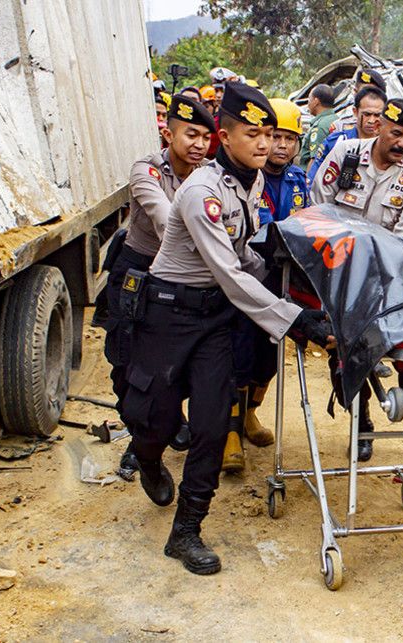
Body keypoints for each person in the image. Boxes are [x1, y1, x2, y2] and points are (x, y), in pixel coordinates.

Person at [121, 82, 333, 575]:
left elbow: (245, 259)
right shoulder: (201, 192)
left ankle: (186, 531)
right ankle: (148, 459)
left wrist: (303, 284)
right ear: (225, 136)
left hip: (214, 317)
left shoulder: (249, 182)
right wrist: (296, 320)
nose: (264, 144)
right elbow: (231, 273)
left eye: (269, 134)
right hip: (168, 315)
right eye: (253, 134)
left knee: (214, 424)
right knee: (155, 419)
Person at [311, 99, 403, 462]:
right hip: (338, 270)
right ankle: (362, 424)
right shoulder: (345, 154)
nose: (402, 144)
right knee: (345, 350)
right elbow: (319, 208)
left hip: (390, 273)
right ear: (378, 124)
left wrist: (381, 270)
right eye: (396, 133)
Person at [108, 94, 215, 478]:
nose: (199, 144)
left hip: (179, 279)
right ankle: (139, 443)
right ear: (168, 133)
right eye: (191, 134)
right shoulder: (147, 170)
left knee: (175, 362)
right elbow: (166, 221)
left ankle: (170, 419)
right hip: (139, 274)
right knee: (127, 361)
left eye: (206, 136)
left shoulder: (211, 175)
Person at [221, 98, 310, 472]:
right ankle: (229, 432)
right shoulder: (249, 179)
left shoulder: (298, 179)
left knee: (268, 357)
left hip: (281, 280)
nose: (282, 146)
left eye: (290, 139)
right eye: (276, 137)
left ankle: (251, 414)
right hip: (247, 279)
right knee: (237, 356)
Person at [306, 86, 387, 185]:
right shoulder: (336, 141)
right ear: (355, 112)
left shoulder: (388, 148)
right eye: (367, 114)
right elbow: (313, 180)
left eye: (377, 115)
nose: (371, 121)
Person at [330, 69, 388, 133]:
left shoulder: (390, 127)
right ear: (355, 92)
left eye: (375, 94)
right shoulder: (340, 125)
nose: (369, 97)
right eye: (364, 92)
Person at [300, 84, 338, 168]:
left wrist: (308, 179)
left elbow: (315, 159)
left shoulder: (319, 126)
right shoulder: (338, 120)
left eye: (309, 99)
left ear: (316, 101)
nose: (308, 104)